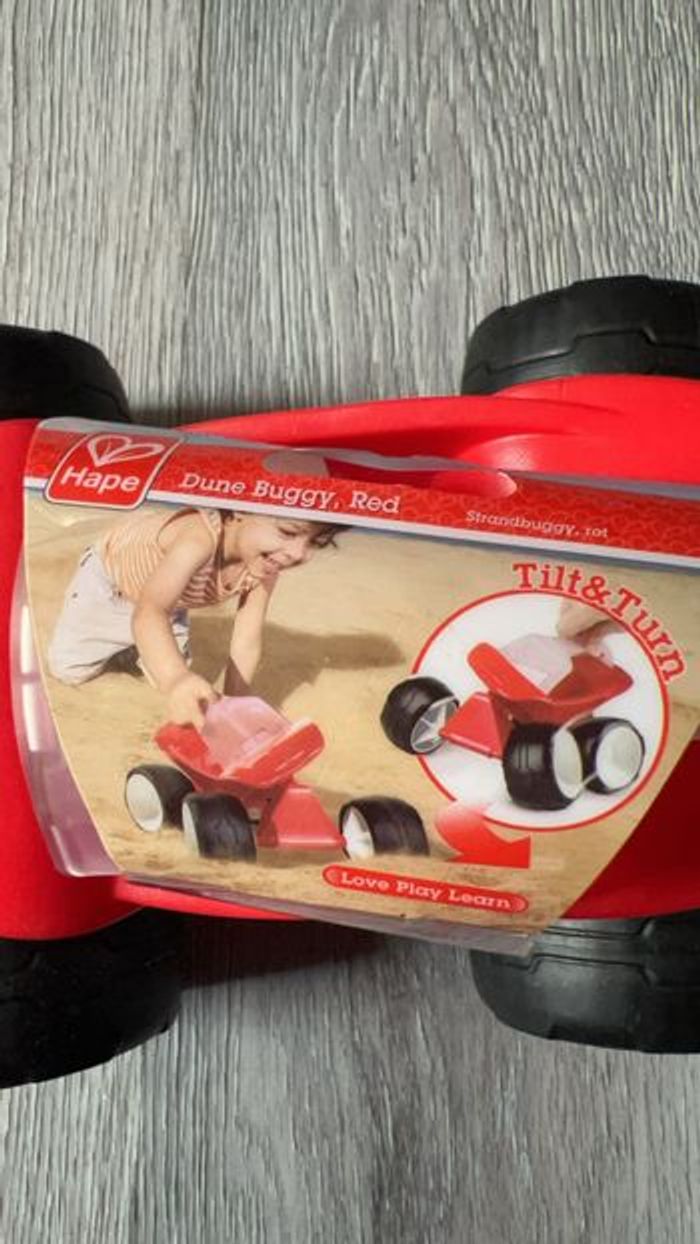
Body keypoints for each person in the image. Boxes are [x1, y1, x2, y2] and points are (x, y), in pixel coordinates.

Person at [48, 506, 344, 727]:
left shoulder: (265, 564)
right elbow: (151, 611)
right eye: (289, 532)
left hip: (171, 600)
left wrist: (235, 705)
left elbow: (246, 639)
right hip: (114, 586)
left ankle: (135, 648)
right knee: (68, 669)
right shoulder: (198, 539)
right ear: (240, 510)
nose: (298, 553)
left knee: (188, 690)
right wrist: (176, 679)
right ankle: (127, 644)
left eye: (315, 542)